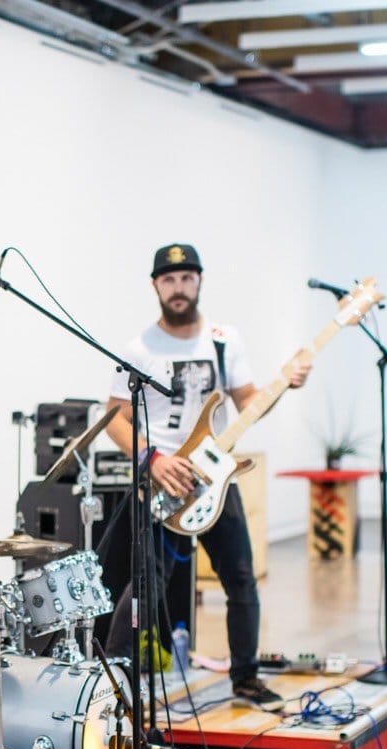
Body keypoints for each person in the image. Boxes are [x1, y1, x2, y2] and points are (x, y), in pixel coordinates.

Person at [102, 243, 310, 712]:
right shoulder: (139, 349)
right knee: (146, 584)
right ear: (155, 285)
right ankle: (115, 685)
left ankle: (247, 678)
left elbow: (248, 403)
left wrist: (285, 383)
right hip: (163, 481)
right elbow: (113, 418)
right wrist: (152, 460)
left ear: (199, 281)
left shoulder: (223, 340)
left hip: (215, 480)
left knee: (240, 578)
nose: (179, 287)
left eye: (187, 278)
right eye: (169, 279)